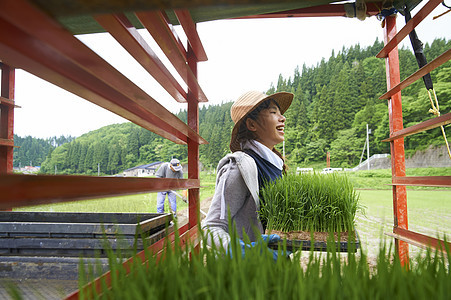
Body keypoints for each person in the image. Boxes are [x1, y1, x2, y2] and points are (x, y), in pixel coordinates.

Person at [202, 90, 293, 260]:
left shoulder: (276, 165)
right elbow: (211, 227)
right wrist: (242, 251)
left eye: (281, 113)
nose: (283, 118)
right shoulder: (240, 167)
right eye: (274, 112)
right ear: (252, 125)